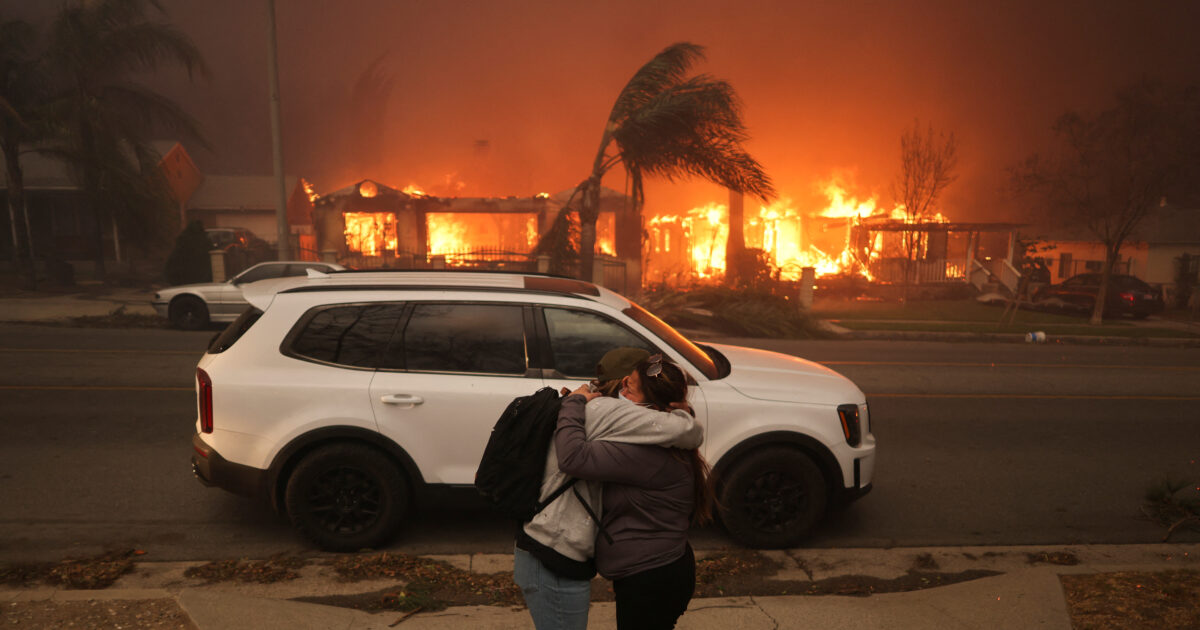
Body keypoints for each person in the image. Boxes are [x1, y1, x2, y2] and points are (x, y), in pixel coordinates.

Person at [514, 348, 703, 630]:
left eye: (632, 389)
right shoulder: (665, 440)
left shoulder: (646, 451)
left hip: (650, 577)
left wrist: (575, 402)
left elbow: (574, 458)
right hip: (662, 570)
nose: (625, 396)